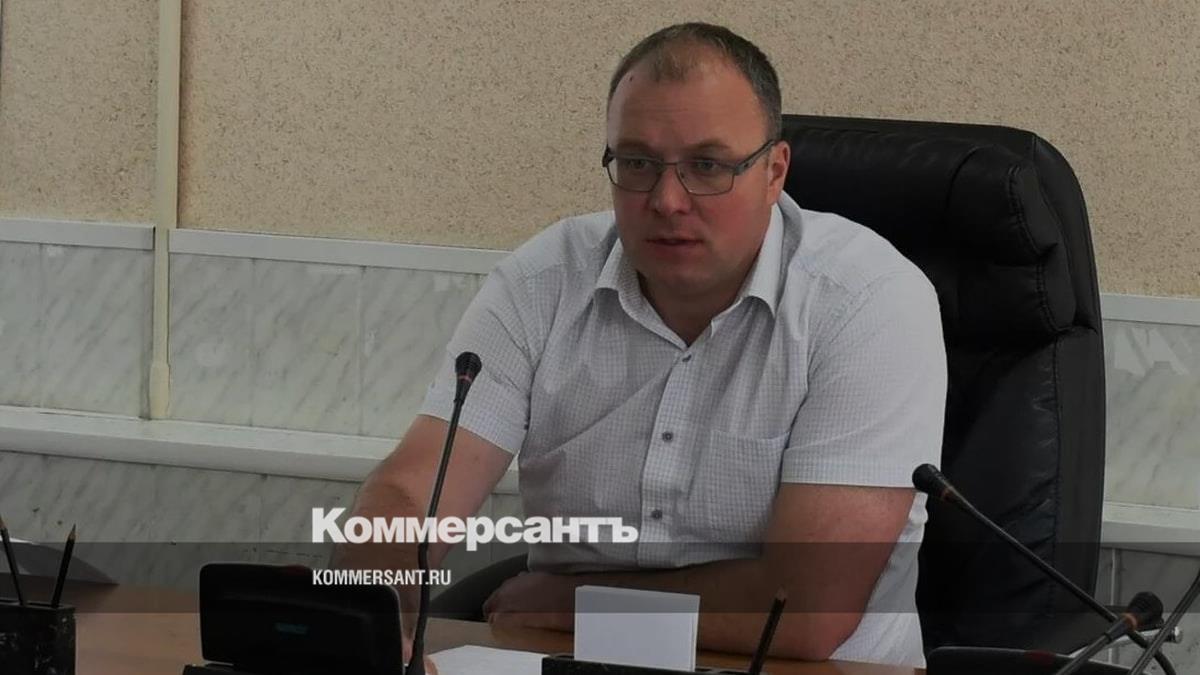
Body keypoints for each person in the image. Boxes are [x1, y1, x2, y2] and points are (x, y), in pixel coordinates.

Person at [339, 22, 946, 668]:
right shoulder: (542, 283)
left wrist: (579, 603)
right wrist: (371, 616)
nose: (667, 200)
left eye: (707, 166)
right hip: (565, 660)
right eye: (637, 163)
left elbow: (803, 611)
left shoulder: (866, 302)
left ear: (774, 173)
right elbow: (410, 493)